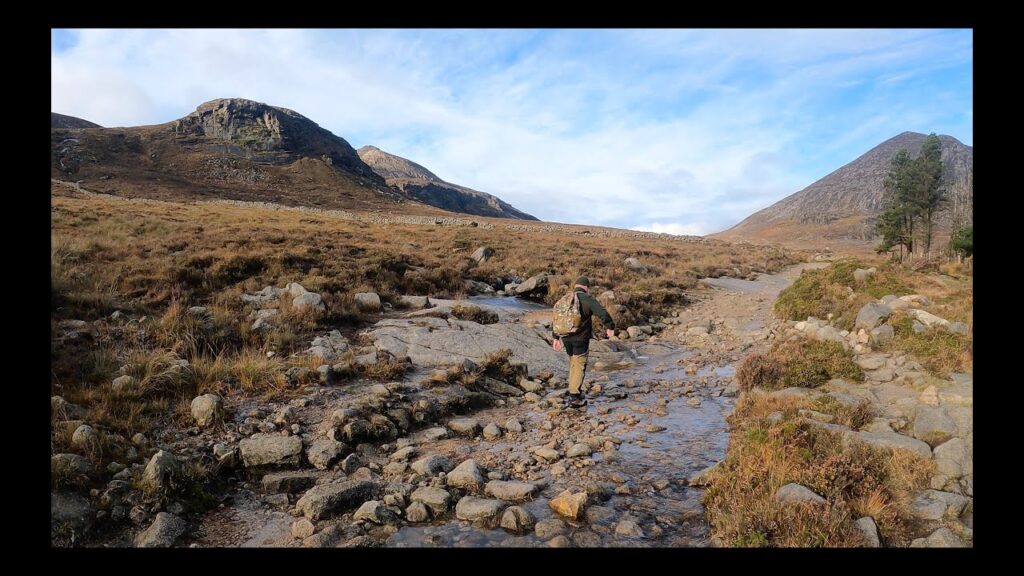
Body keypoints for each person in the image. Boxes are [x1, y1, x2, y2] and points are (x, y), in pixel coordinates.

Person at [552, 276, 616, 408]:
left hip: (565, 337)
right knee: (580, 364)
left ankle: (574, 390)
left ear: (575, 286)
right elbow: (602, 313)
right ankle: (574, 397)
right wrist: (610, 327)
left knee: (573, 363)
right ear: (586, 287)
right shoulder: (588, 299)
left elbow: (556, 319)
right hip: (580, 339)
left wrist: (555, 337)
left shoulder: (565, 299)